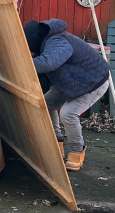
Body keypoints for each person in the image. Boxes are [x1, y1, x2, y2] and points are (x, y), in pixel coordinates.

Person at [23, 19, 109, 171]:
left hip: (93, 83)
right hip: (72, 81)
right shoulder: (46, 41)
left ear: (33, 43)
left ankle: (77, 150)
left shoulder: (58, 42)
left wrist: (21, 62)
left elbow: (48, 63)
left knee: (68, 114)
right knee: (46, 105)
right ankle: (57, 142)